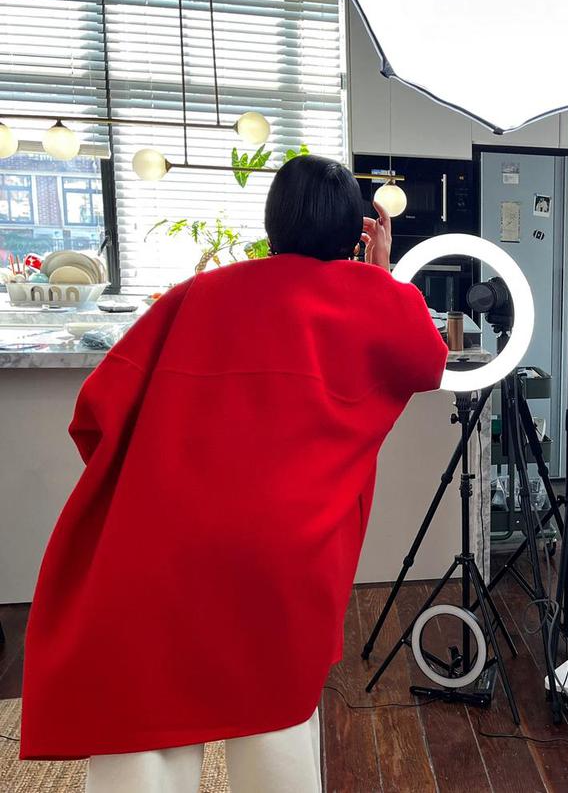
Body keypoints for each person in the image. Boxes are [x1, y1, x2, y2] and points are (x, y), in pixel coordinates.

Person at [19, 155, 449, 793]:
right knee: (273, 719)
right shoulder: (376, 303)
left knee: (147, 723)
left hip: (160, 544)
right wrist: (379, 272)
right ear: (356, 233)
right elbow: (428, 360)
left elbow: (95, 415)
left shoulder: (197, 295)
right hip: (286, 556)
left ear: (272, 223)